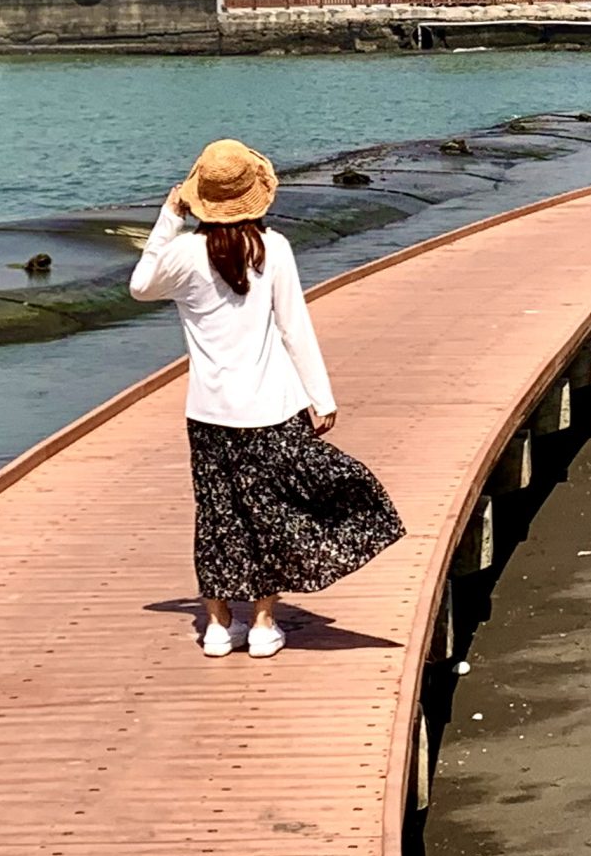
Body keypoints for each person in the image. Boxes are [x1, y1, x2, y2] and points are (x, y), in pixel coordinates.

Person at [130, 139, 403, 659]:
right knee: (272, 510)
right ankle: (262, 623)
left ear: (198, 199)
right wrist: (320, 396)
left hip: (208, 412)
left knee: (217, 515)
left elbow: (140, 285)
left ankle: (216, 626)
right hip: (273, 409)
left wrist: (168, 217)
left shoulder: (184, 254)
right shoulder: (272, 247)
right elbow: (293, 326)